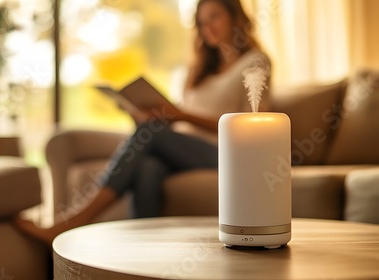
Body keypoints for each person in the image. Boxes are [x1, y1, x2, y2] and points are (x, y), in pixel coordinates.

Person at [14, 0, 271, 246]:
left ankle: (74, 220)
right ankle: (143, 253)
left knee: (151, 134)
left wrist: (178, 115)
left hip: (223, 152)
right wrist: (148, 114)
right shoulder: (199, 70)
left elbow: (252, 126)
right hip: (182, 150)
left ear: (234, 16)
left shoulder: (255, 62)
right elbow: (179, 122)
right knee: (148, 167)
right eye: (201, 23)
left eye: (214, 17)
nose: (208, 28)